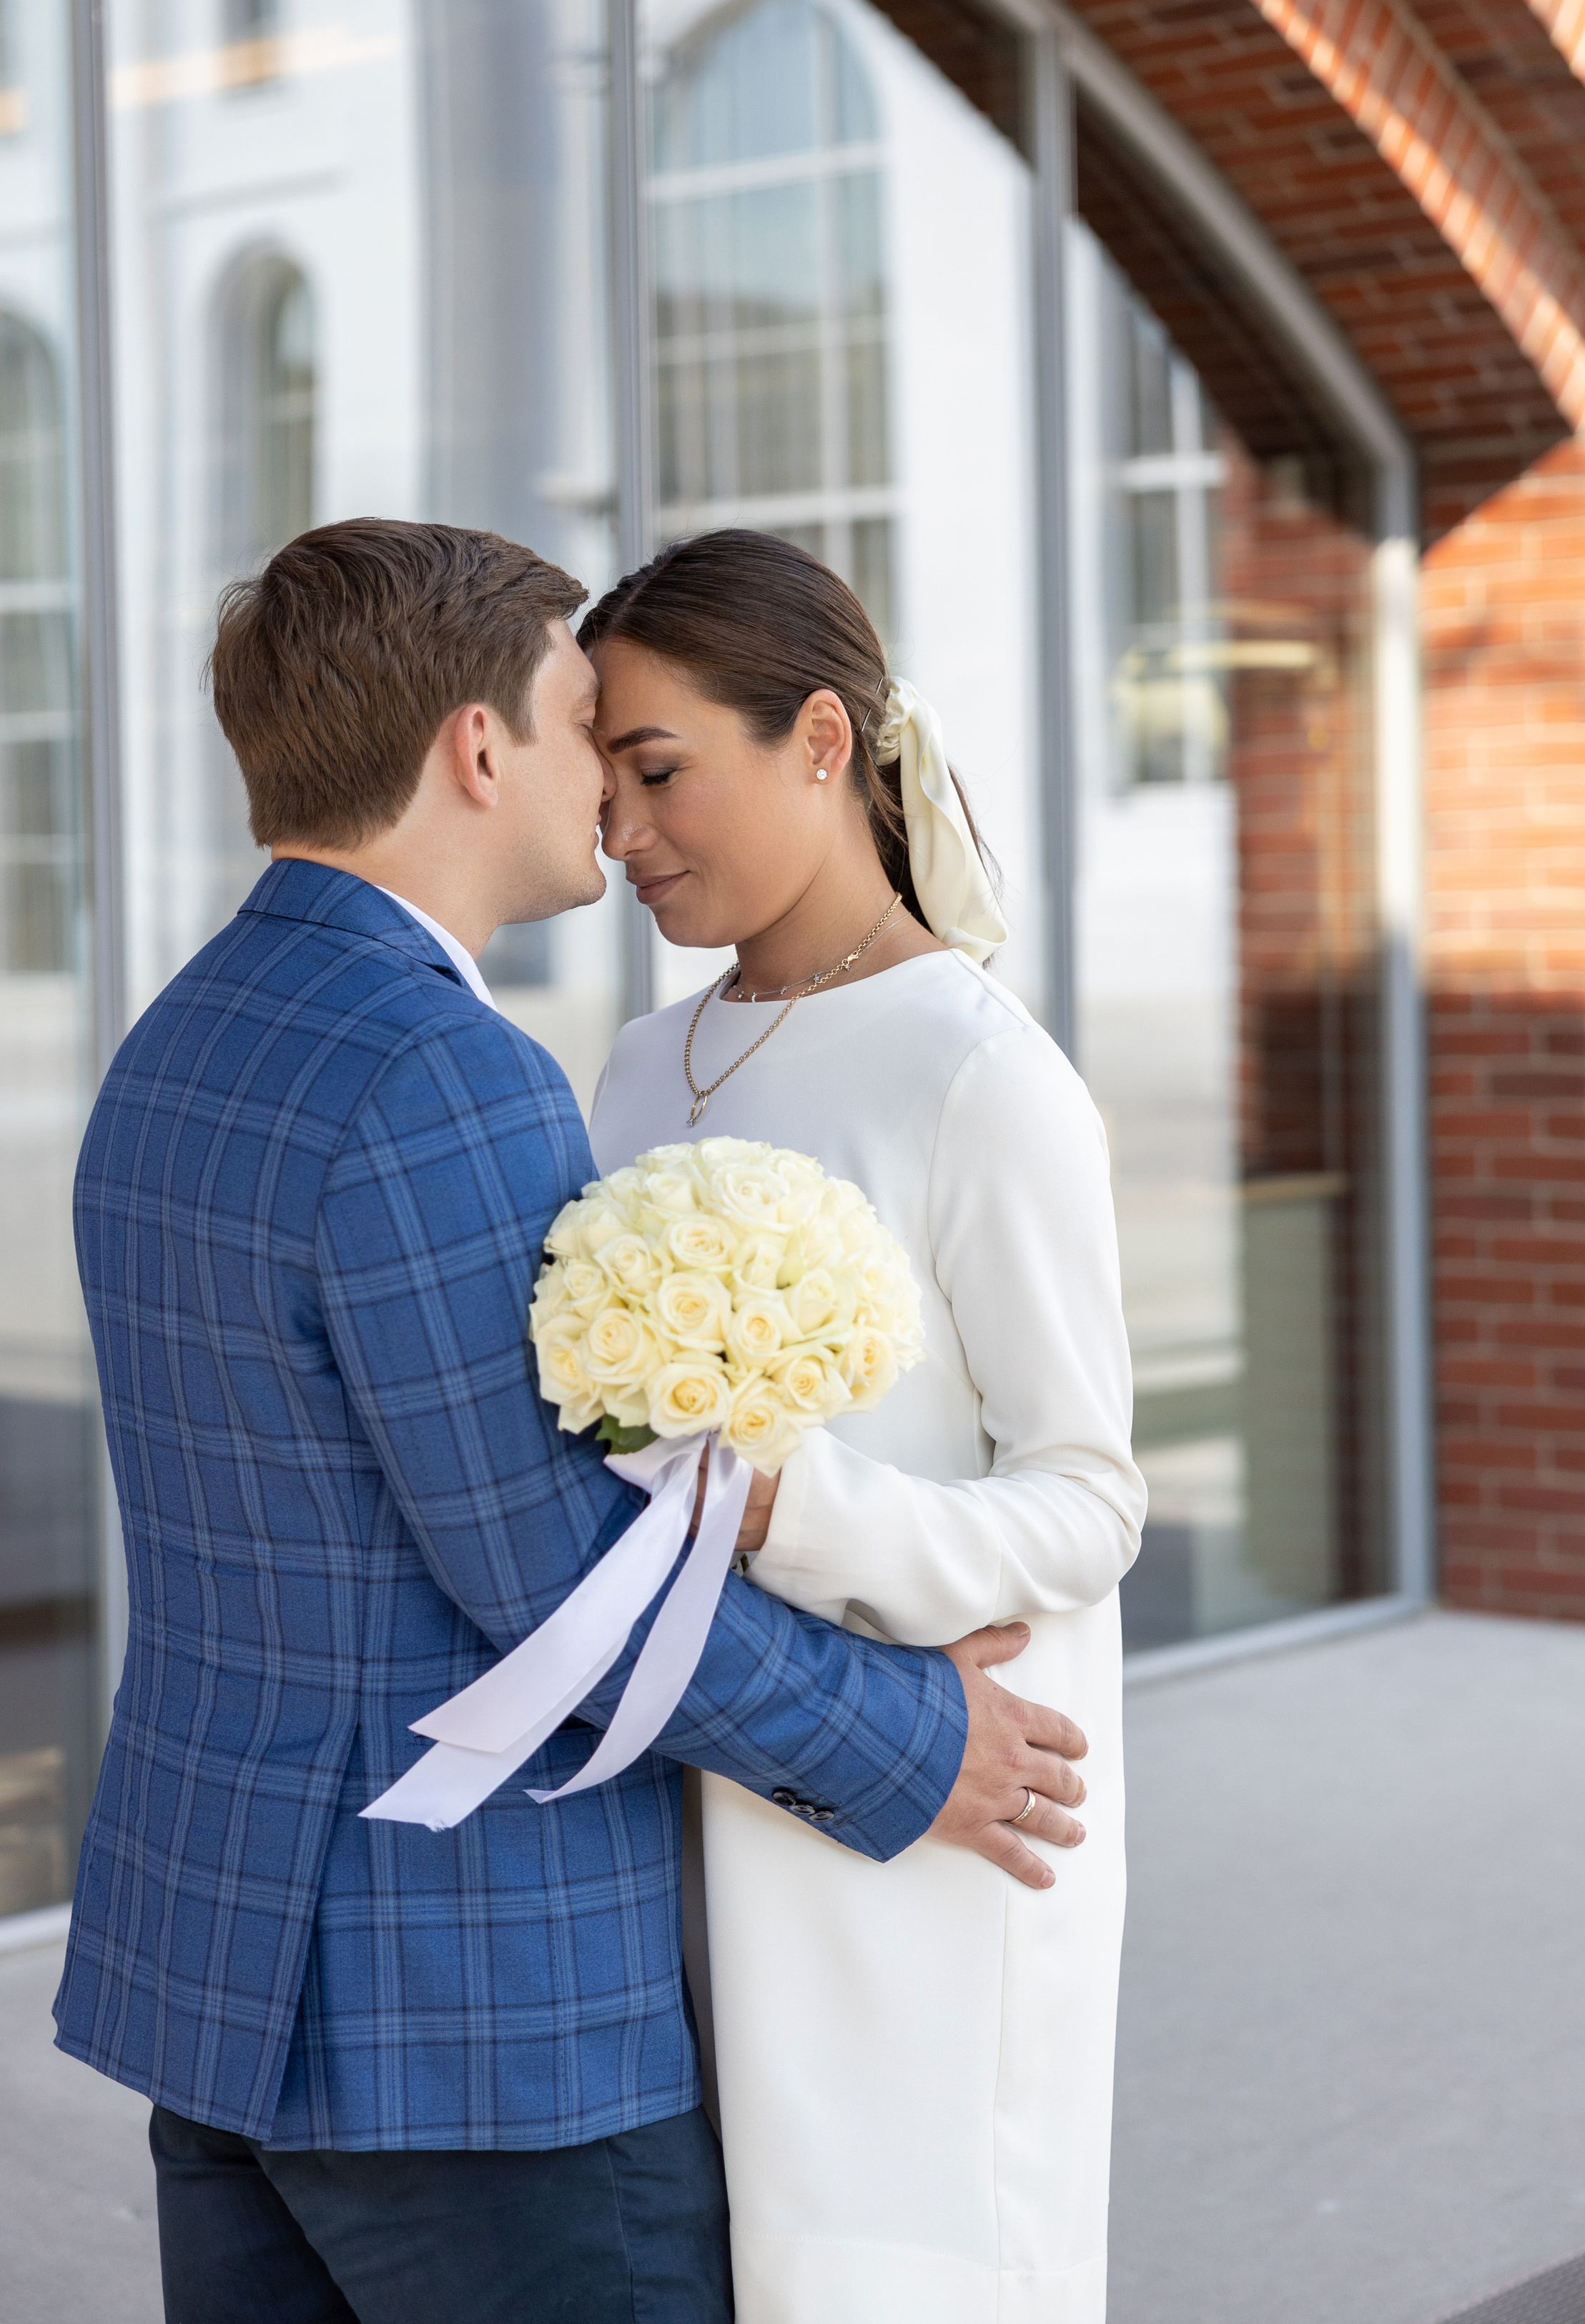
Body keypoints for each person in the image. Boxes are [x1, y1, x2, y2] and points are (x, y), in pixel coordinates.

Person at [53, 517, 1089, 2324]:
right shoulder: (446, 1071)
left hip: (212, 1975)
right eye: (568, 723)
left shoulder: (182, 1034)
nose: (603, 800)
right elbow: (549, 1567)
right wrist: (910, 1739)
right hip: (474, 2028)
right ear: (473, 750)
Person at [583, 527, 1145, 2324]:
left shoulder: (978, 1071)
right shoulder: (627, 1065)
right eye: (595, 777)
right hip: (686, 1797)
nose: (615, 833)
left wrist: (798, 1515)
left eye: (655, 769)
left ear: (821, 742)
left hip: (925, 1826)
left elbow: (1086, 1501)